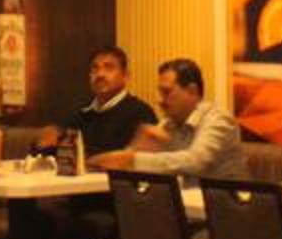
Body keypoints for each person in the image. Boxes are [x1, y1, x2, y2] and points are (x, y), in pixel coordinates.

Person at [94, 58, 244, 177]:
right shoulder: (169, 123)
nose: (159, 100)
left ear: (192, 91)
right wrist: (136, 149)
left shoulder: (219, 119)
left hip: (226, 204)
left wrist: (134, 159)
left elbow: (195, 161)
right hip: (186, 202)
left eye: (166, 92)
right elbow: (128, 161)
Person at [39, 47, 157, 157]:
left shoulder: (140, 113)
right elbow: (57, 152)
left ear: (125, 76)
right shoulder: (83, 113)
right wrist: (48, 140)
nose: (100, 74)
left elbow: (134, 160)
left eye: (109, 68)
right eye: (95, 68)